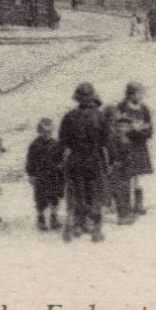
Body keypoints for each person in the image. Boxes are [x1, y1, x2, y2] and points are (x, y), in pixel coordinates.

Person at [58, 82, 110, 242]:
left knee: (75, 193)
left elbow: (63, 141)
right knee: (95, 194)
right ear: (92, 98)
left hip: (74, 160)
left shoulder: (69, 116)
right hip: (93, 159)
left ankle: (73, 227)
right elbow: (105, 141)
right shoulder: (100, 116)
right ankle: (96, 230)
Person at [115, 82, 154, 216]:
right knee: (126, 176)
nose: (141, 96)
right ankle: (125, 205)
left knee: (139, 177)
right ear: (131, 94)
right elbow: (118, 128)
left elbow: (149, 130)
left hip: (140, 146)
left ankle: (138, 204)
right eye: (138, 93)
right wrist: (133, 129)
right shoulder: (121, 108)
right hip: (125, 146)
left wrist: (139, 131)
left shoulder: (144, 109)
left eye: (142, 93)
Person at [25, 118, 65, 231]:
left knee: (55, 198)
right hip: (40, 175)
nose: (47, 134)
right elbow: (30, 161)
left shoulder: (56, 144)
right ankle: (41, 219)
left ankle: (54, 218)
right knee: (40, 198)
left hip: (54, 175)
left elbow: (61, 158)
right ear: (39, 131)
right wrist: (31, 175)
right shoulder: (34, 145)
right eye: (44, 132)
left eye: (49, 132)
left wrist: (61, 166)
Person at [106, 113, 139, 226]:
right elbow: (113, 153)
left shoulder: (128, 138)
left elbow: (131, 154)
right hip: (118, 169)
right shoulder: (113, 138)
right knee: (119, 193)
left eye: (126, 126)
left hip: (126, 169)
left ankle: (126, 214)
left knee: (126, 192)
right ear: (116, 127)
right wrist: (118, 162)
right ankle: (122, 216)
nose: (123, 128)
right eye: (120, 126)